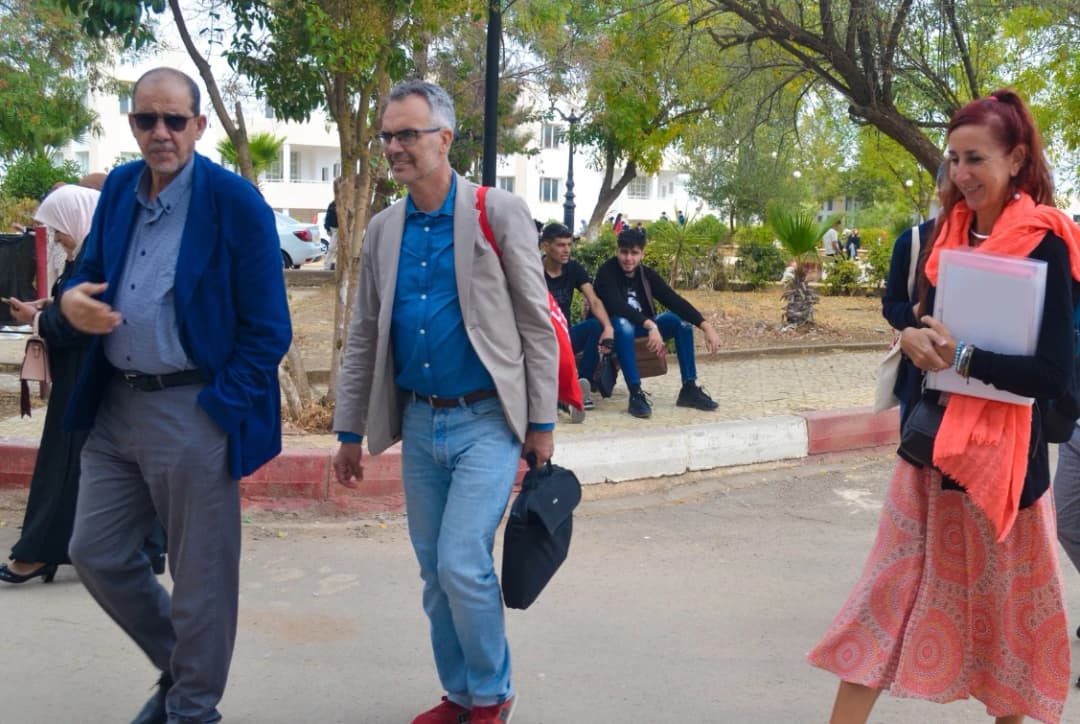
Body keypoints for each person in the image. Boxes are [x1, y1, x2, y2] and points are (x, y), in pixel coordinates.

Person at [809, 89, 1080, 724]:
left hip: (1005, 473)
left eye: (976, 158)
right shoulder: (942, 236)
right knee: (884, 600)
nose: (961, 173)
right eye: (954, 159)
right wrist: (909, 334)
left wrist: (962, 359)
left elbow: (1049, 374)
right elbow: (915, 315)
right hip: (929, 455)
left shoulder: (1047, 242)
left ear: (1016, 159)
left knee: (1009, 627)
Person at [59, 67, 292, 724]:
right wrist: (69, 302)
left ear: (198, 124)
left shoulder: (234, 202)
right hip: (116, 407)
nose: (159, 133)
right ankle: (185, 669)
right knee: (95, 552)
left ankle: (192, 709)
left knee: (200, 581)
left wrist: (218, 410)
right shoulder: (120, 193)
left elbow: (269, 329)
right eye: (145, 120)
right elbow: (86, 279)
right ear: (131, 123)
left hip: (192, 411)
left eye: (173, 120)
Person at [331, 80, 555, 724]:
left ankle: (493, 694)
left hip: (487, 418)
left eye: (407, 134)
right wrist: (349, 433)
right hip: (421, 419)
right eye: (388, 137)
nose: (394, 147)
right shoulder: (382, 230)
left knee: (462, 562)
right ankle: (458, 694)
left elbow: (536, 324)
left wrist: (541, 424)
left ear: (445, 139)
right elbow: (366, 336)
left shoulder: (498, 211)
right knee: (434, 572)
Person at [1, 185, 165, 585]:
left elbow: (83, 319)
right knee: (107, 467)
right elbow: (74, 301)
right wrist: (51, 304)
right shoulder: (99, 249)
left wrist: (36, 319)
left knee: (65, 463)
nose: (57, 238)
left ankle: (39, 552)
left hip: (83, 378)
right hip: (94, 378)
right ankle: (144, 547)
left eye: (59, 229)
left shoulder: (100, 251)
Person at [593, 227, 721, 418]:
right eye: (624, 252)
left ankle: (689, 388)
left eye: (634, 253)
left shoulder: (646, 275)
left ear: (642, 254)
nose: (629, 258)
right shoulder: (607, 272)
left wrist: (705, 325)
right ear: (617, 251)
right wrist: (650, 326)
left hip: (643, 327)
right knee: (623, 324)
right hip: (615, 332)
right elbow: (617, 305)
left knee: (680, 323)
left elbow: (673, 299)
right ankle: (635, 393)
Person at [882, 161, 949, 425]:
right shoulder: (912, 242)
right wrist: (913, 313)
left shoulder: (990, 245)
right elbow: (890, 306)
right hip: (918, 384)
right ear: (940, 191)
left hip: (972, 387)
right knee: (915, 460)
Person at [540, 222, 614, 418]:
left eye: (569, 245)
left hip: (565, 336)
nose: (567, 250)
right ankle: (563, 398)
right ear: (546, 246)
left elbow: (594, 300)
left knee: (594, 326)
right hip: (540, 338)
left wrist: (608, 327)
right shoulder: (534, 270)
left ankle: (582, 385)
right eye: (561, 245)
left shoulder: (573, 268)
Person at [323, 178, 339, 270]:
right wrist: (327, 228)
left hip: (345, 229)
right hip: (334, 229)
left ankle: (339, 267)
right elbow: (328, 217)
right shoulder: (332, 204)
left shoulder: (348, 202)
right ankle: (327, 267)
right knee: (332, 248)